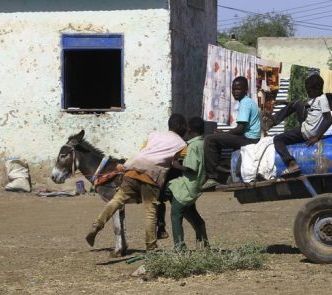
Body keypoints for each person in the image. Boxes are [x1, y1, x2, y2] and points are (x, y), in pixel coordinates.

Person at [85, 114, 188, 252]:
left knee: (117, 200)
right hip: (151, 175)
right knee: (150, 211)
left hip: (132, 169)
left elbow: (144, 150)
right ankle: (151, 246)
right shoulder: (182, 144)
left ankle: (97, 225)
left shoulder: (154, 135)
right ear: (181, 127)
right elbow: (177, 163)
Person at [203, 76, 261, 189]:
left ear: (246, 90)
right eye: (233, 89)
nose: (235, 92)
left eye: (238, 89)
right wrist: (224, 133)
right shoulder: (248, 102)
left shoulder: (245, 103)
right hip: (248, 138)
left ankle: (212, 177)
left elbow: (240, 129)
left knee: (210, 140)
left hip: (249, 140)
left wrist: (224, 134)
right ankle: (225, 172)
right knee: (219, 140)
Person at [270, 74, 332, 177]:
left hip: (306, 131)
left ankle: (291, 164)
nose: (308, 93)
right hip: (305, 126)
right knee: (298, 103)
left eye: (309, 90)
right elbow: (298, 105)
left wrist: (317, 137)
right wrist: (283, 102)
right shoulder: (314, 98)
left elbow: (329, 120)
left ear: (317, 88)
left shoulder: (322, 99)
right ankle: (273, 120)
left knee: (277, 139)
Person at [164, 116, 209, 250]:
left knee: (175, 213)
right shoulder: (203, 143)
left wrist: (176, 165)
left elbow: (191, 167)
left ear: (189, 130)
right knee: (190, 212)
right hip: (196, 184)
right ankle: (204, 243)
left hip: (189, 184)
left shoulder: (193, 145)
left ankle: (180, 247)